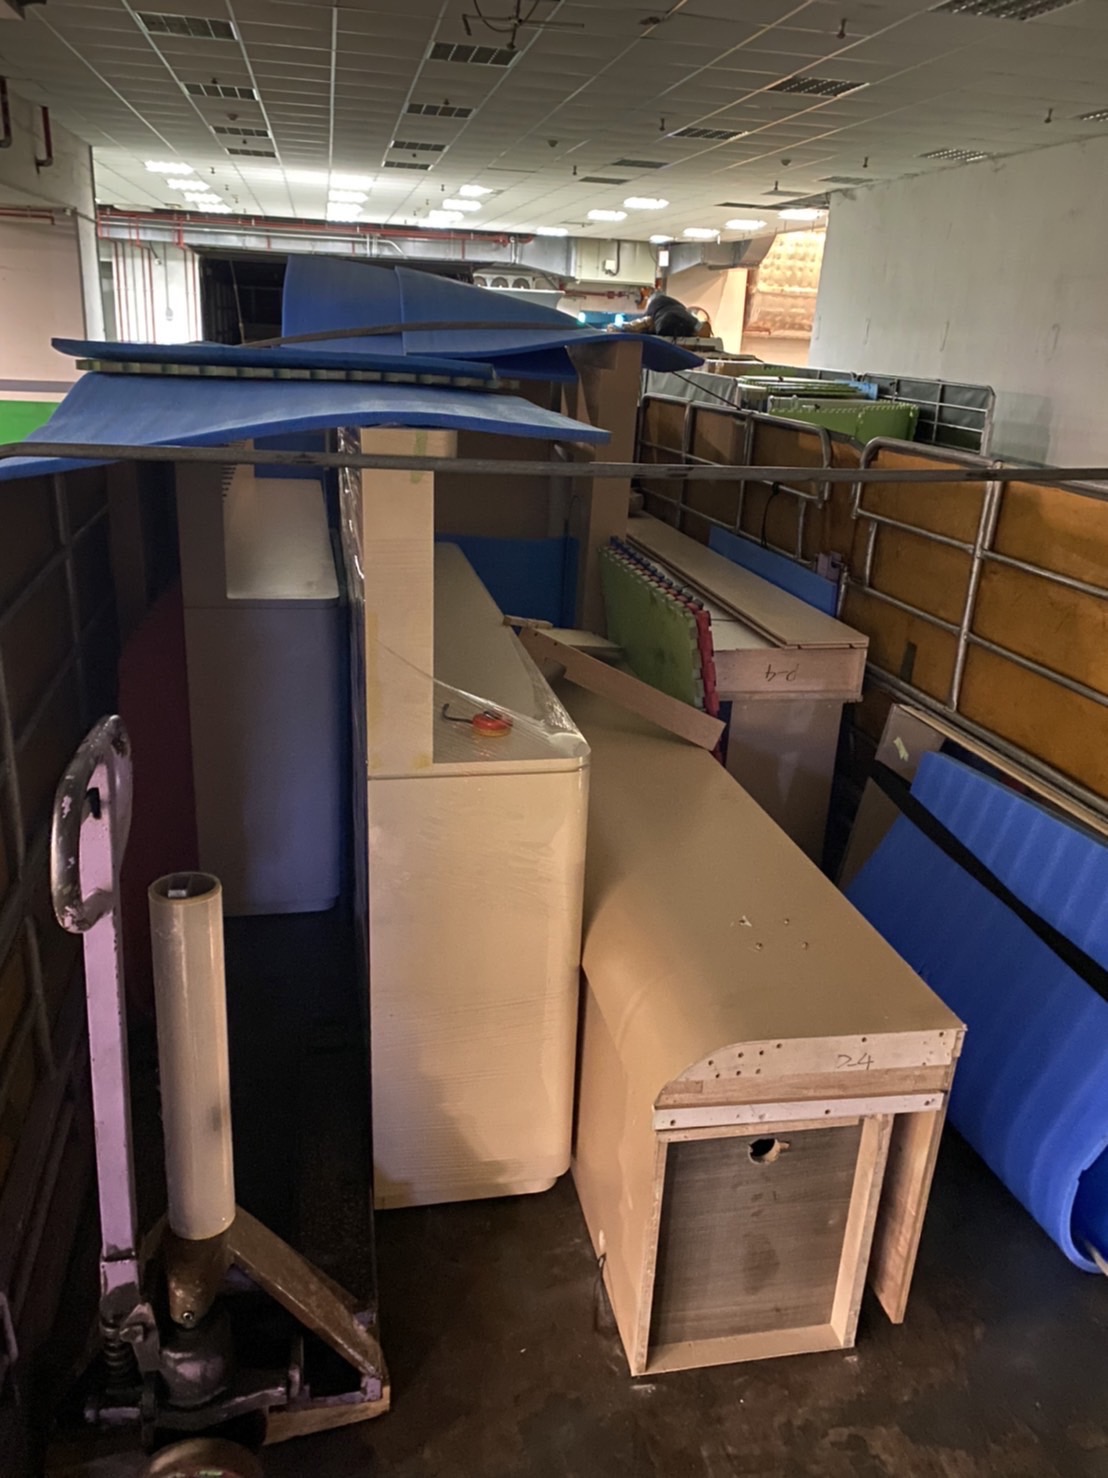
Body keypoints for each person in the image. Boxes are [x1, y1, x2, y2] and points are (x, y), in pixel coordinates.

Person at [617, 290, 700, 339]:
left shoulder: (653, 308)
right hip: (686, 325)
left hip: (666, 324)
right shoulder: (677, 307)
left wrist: (622, 328)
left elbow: (643, 323)